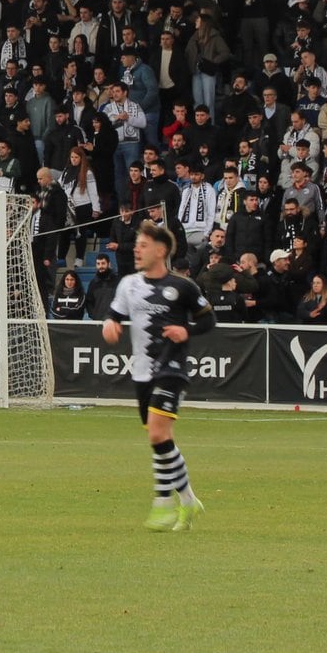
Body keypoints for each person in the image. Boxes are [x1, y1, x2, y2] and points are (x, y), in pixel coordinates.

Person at [100, 219, 214, 533]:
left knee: (156, 434)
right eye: (136, 245)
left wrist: (184, 330)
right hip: (141, 372)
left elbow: (208, 321)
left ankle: (163, 502)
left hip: (172, 368)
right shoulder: (128, 285)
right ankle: (188, 499)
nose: (136, 249)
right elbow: (113, 317)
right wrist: (109, 326)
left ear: (161, 250)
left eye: (143, 245)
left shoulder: (183, 287)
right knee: (161, 440)